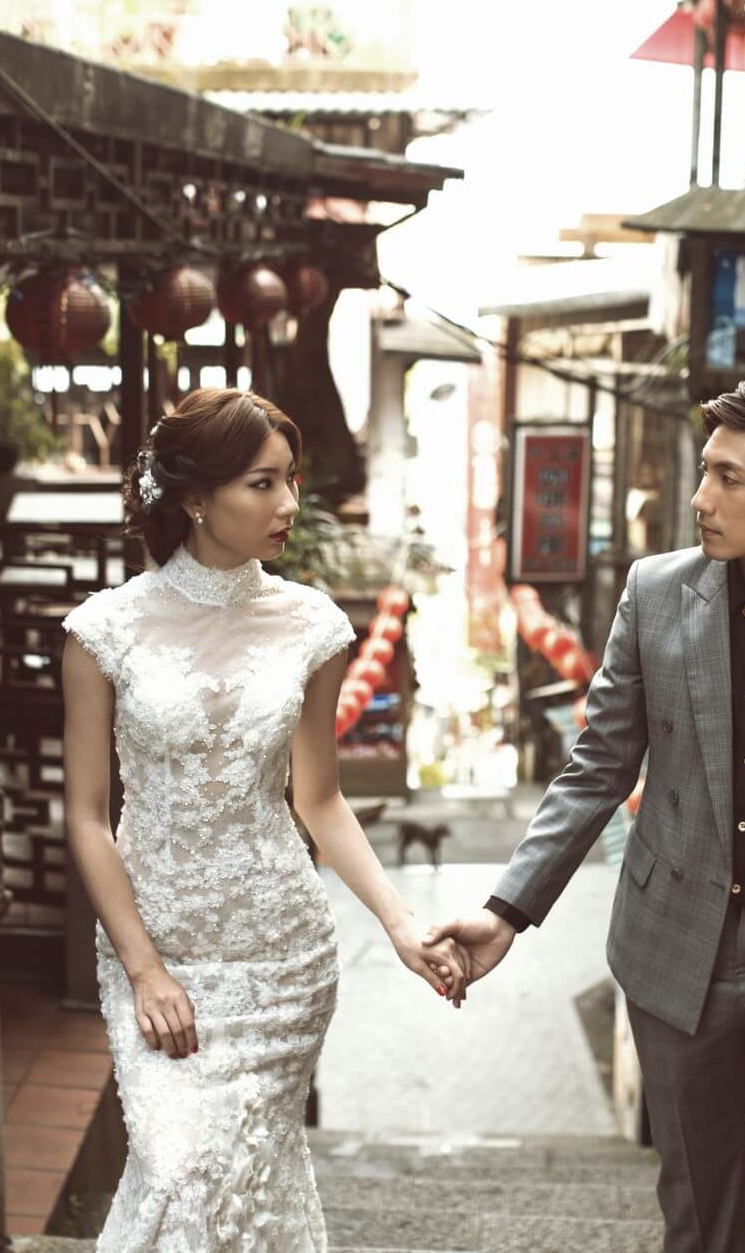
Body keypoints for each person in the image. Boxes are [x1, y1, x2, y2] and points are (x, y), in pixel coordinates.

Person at [428, 374, 745, 1253]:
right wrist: (507, 909)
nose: (700, 497)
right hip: (672, 944)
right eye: (706, 470)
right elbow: (598, 766)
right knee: (698, 1208)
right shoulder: (656, 591)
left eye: (727, 477)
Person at [60, 388, 465, 1250]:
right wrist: (144, 970)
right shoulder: (102, 631)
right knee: (178, 1173)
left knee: (245, 1179)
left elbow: (319, 799)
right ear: (196, 497)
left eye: (291, 481)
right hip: (158, 945)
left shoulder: (313, 626)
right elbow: (88, 819)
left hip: (282, 954)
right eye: (262, 483)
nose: (288, 504)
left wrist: (400, 925)